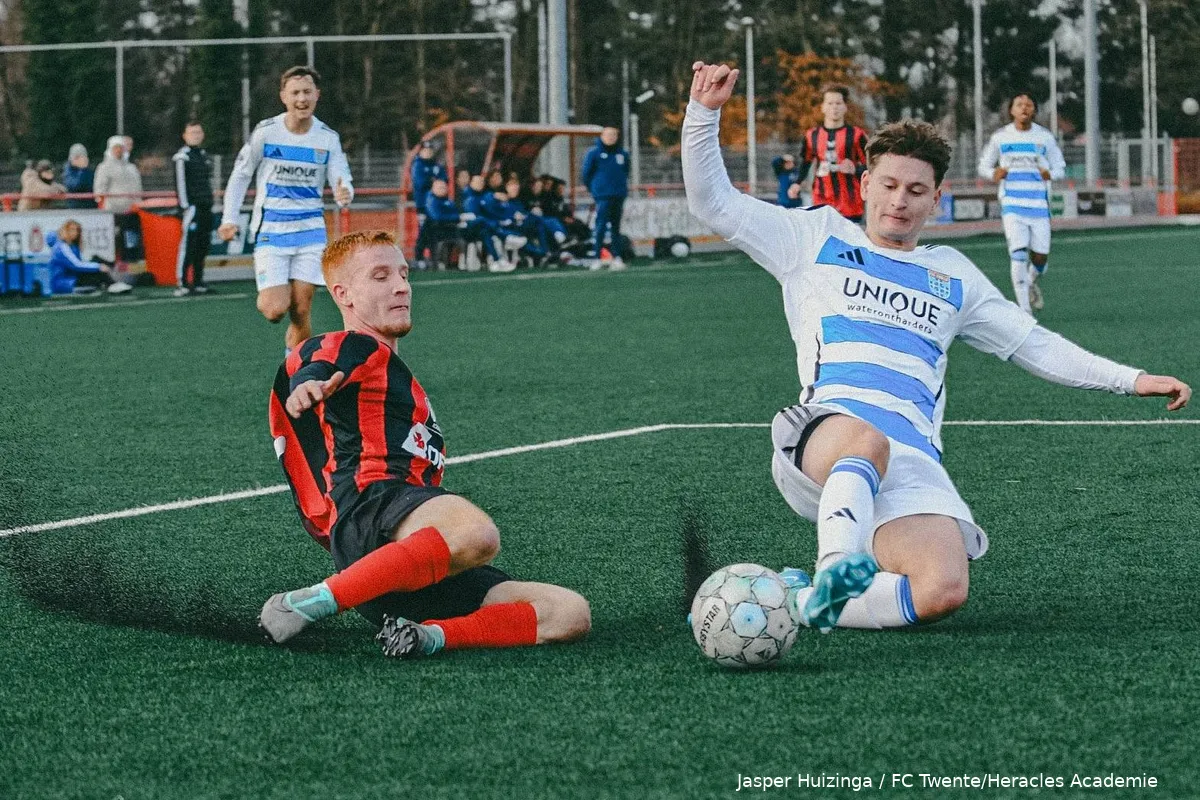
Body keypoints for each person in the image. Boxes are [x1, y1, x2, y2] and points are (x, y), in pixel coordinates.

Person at [683, 61, 1190, 633]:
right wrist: (704, 113)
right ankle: (837, 564)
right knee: (865, 438)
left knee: (942, 587)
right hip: (821, 436)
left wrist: (1131, 378)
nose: (900, 200)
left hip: (909, 459)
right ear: (866, 183)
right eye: (890, 185)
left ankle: (803, 604)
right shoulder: (815, 236)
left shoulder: (954, 276)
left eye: (916, 190)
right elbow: (712, 203)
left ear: (936, 198)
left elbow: (1034, 345)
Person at [260, 230, 591, 657]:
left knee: (567, 613)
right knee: (474, 533)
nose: (400, 286)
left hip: (398, 567)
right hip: (372, 509)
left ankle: (423, 636)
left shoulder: (396, 375)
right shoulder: (357, 346)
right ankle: (310, 601)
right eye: (379, 276)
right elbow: (314, 356)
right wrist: (306, 384)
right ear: (343, 294)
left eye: (403, 274)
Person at [218, 66, 354, 354]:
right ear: (283, 96)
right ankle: (276, 298)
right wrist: (229, 218)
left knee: (302, 308)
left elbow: (341, 176)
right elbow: (241, 175)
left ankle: (297, 368)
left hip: (310, 232)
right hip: (272, 231)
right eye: (295, 93)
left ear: (317, 95)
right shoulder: (267, 132)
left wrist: (345, 193)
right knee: (274, 310)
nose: (301, 98)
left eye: (307, 92)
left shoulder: (327, 137)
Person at [977, 93, 1066, 314]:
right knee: (1017, 254)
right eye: (1019, 105)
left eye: (1029, 105)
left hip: (1038, 205)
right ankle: (1024, 312)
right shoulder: (1001, 137)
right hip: (1012, 204)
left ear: (1034, 110)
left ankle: (1031, 281)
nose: (1024, 108)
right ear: (1012, 111)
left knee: (1040, 260)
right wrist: (993, 173)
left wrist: (1051, 174)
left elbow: (1060, 167)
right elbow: (983, 166)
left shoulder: (1044, 137)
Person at [798, 86, 870, 222]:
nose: (834, 107)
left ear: (845, 107)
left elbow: (873, 166)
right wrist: (796, 183)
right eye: (830, 103)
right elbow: (806, 162)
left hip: (851, 204)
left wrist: (855, 169)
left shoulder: (856, 134)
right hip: (821, 201)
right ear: (823, 107)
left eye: (838, 103)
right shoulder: (811, 135)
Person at [172, 121, 215, 296]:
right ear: (184, 136)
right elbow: (180, 184)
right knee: (188, 245)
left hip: (206, 206)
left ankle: (198, 281)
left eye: (198, 132)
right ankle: (182, 282)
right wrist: (186, 206)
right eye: (192, 133)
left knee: (203, 245)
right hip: (193, 208)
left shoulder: (204, 155)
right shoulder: (182, 157)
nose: (195, 135)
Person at [581, 126, 630, 270]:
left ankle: (617, 256)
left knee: (616, 227)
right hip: (602, 196)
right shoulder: (594, 153)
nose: (611, 137)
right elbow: (586, 174)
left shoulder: (622, 154)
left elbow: (626, 171)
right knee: (600, 226)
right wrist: (595, 189)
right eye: (608, 134)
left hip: (618, 194)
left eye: (614, 134)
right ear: (602, 136)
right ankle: (597, 257)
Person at [93, 136, 144, 269]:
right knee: (117, 239)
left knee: (132, 239)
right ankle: (115, 266)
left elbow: (138, 187)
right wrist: (103, 205)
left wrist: (139, 203)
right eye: (115, 147)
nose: (118, 150)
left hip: (133, 210)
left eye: (120, 147)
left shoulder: (131, 167)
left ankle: (132, 265)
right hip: (114, 211)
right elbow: (99, 189)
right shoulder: (104, 167)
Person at [47, 219, 131, 294]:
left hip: (72, 279)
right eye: (72, 230)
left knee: (95, 259)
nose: (75, 233)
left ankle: (111, 281)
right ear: (65, 231)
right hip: (64, 283)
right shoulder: (61, 247)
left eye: (77, 230)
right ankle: (112, 284)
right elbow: (76, 265)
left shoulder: (72, 246)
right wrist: (98, 266)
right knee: (97, 270)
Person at [62, 144, 97, 209]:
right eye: (77, 157)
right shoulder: (68, 171)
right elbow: (76, 186)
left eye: (83, 157)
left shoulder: (89, 170)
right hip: (75, 207)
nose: (81, 159)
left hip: (91, 207)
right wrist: (82, 169)